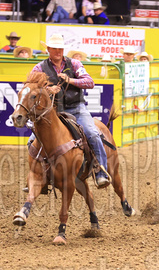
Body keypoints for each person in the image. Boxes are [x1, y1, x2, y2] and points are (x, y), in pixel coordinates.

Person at [31, 34, 111, 188]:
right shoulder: (40, 67)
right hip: (54, 112)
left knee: (92, 133)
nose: (58, 51)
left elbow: (89, 82)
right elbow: (31, 86)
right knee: (32, 142)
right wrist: (48, 89)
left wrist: (70, 80)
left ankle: (101, 172)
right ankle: (39, 176)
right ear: (48, 49)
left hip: (76, 108)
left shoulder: (74, 64)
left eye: (60, 48)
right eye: (54, 48)